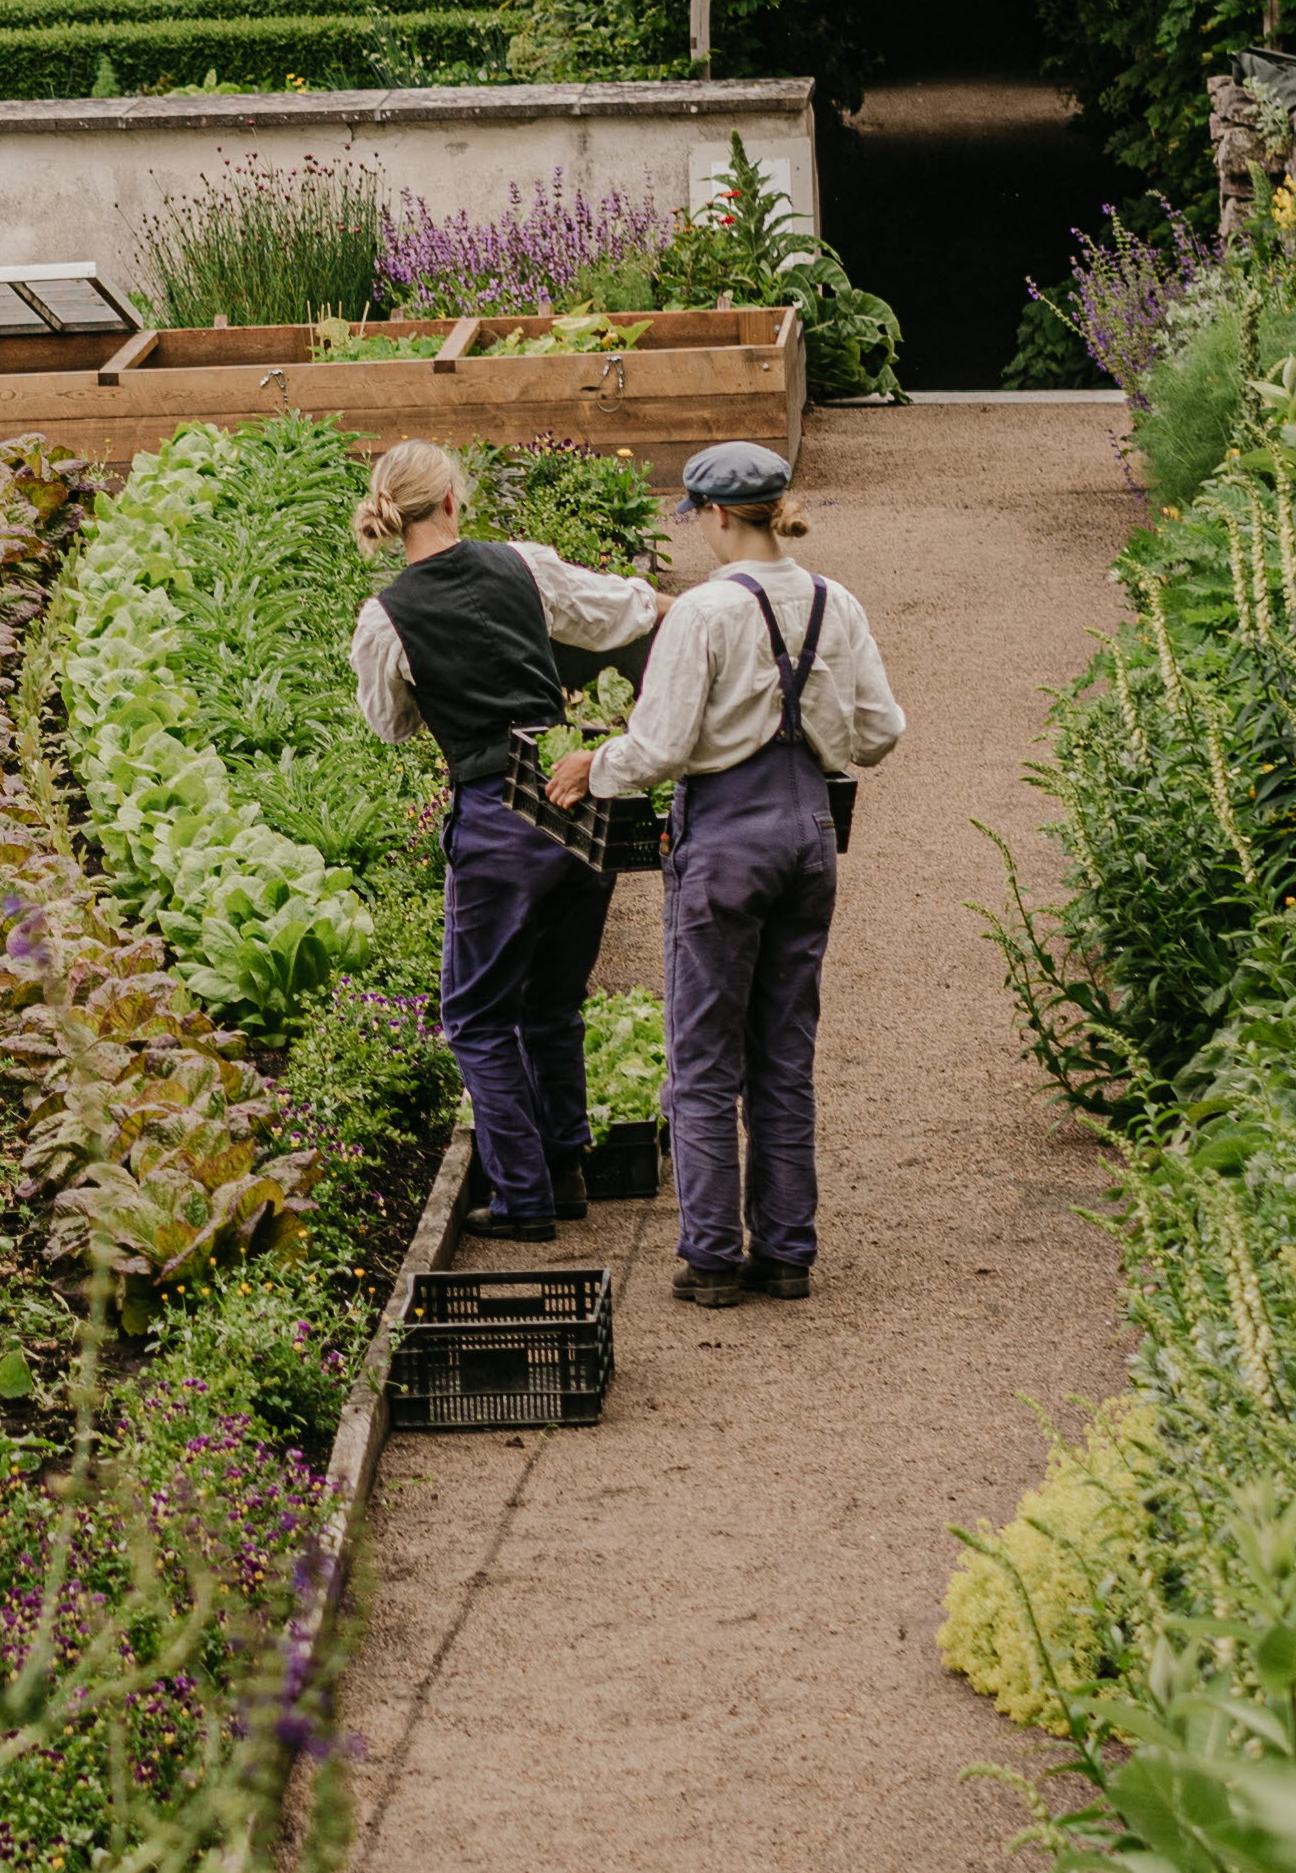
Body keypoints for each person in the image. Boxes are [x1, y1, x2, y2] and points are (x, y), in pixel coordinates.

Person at [551, 439, 904, 1306]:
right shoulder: (835, 601)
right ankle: (785, 1252)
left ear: (712, 515)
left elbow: (662, 746)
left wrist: (590, 767)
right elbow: (880, 732)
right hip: (810, 835)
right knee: (785, 1052)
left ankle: (711, 1256)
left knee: (704, 1057)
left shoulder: (704, 612)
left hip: (725, 840)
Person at [349, 437, 661, 1237]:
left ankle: (523, 1198)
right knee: (553, 1001)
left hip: (496, 814)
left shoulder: (388, 617)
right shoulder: (522, 564)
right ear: (453, 500)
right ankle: (563, 1170)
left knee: (478, 1015)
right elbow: (614, 610)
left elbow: (389, 725)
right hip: (572, 794)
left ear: (395, 512)